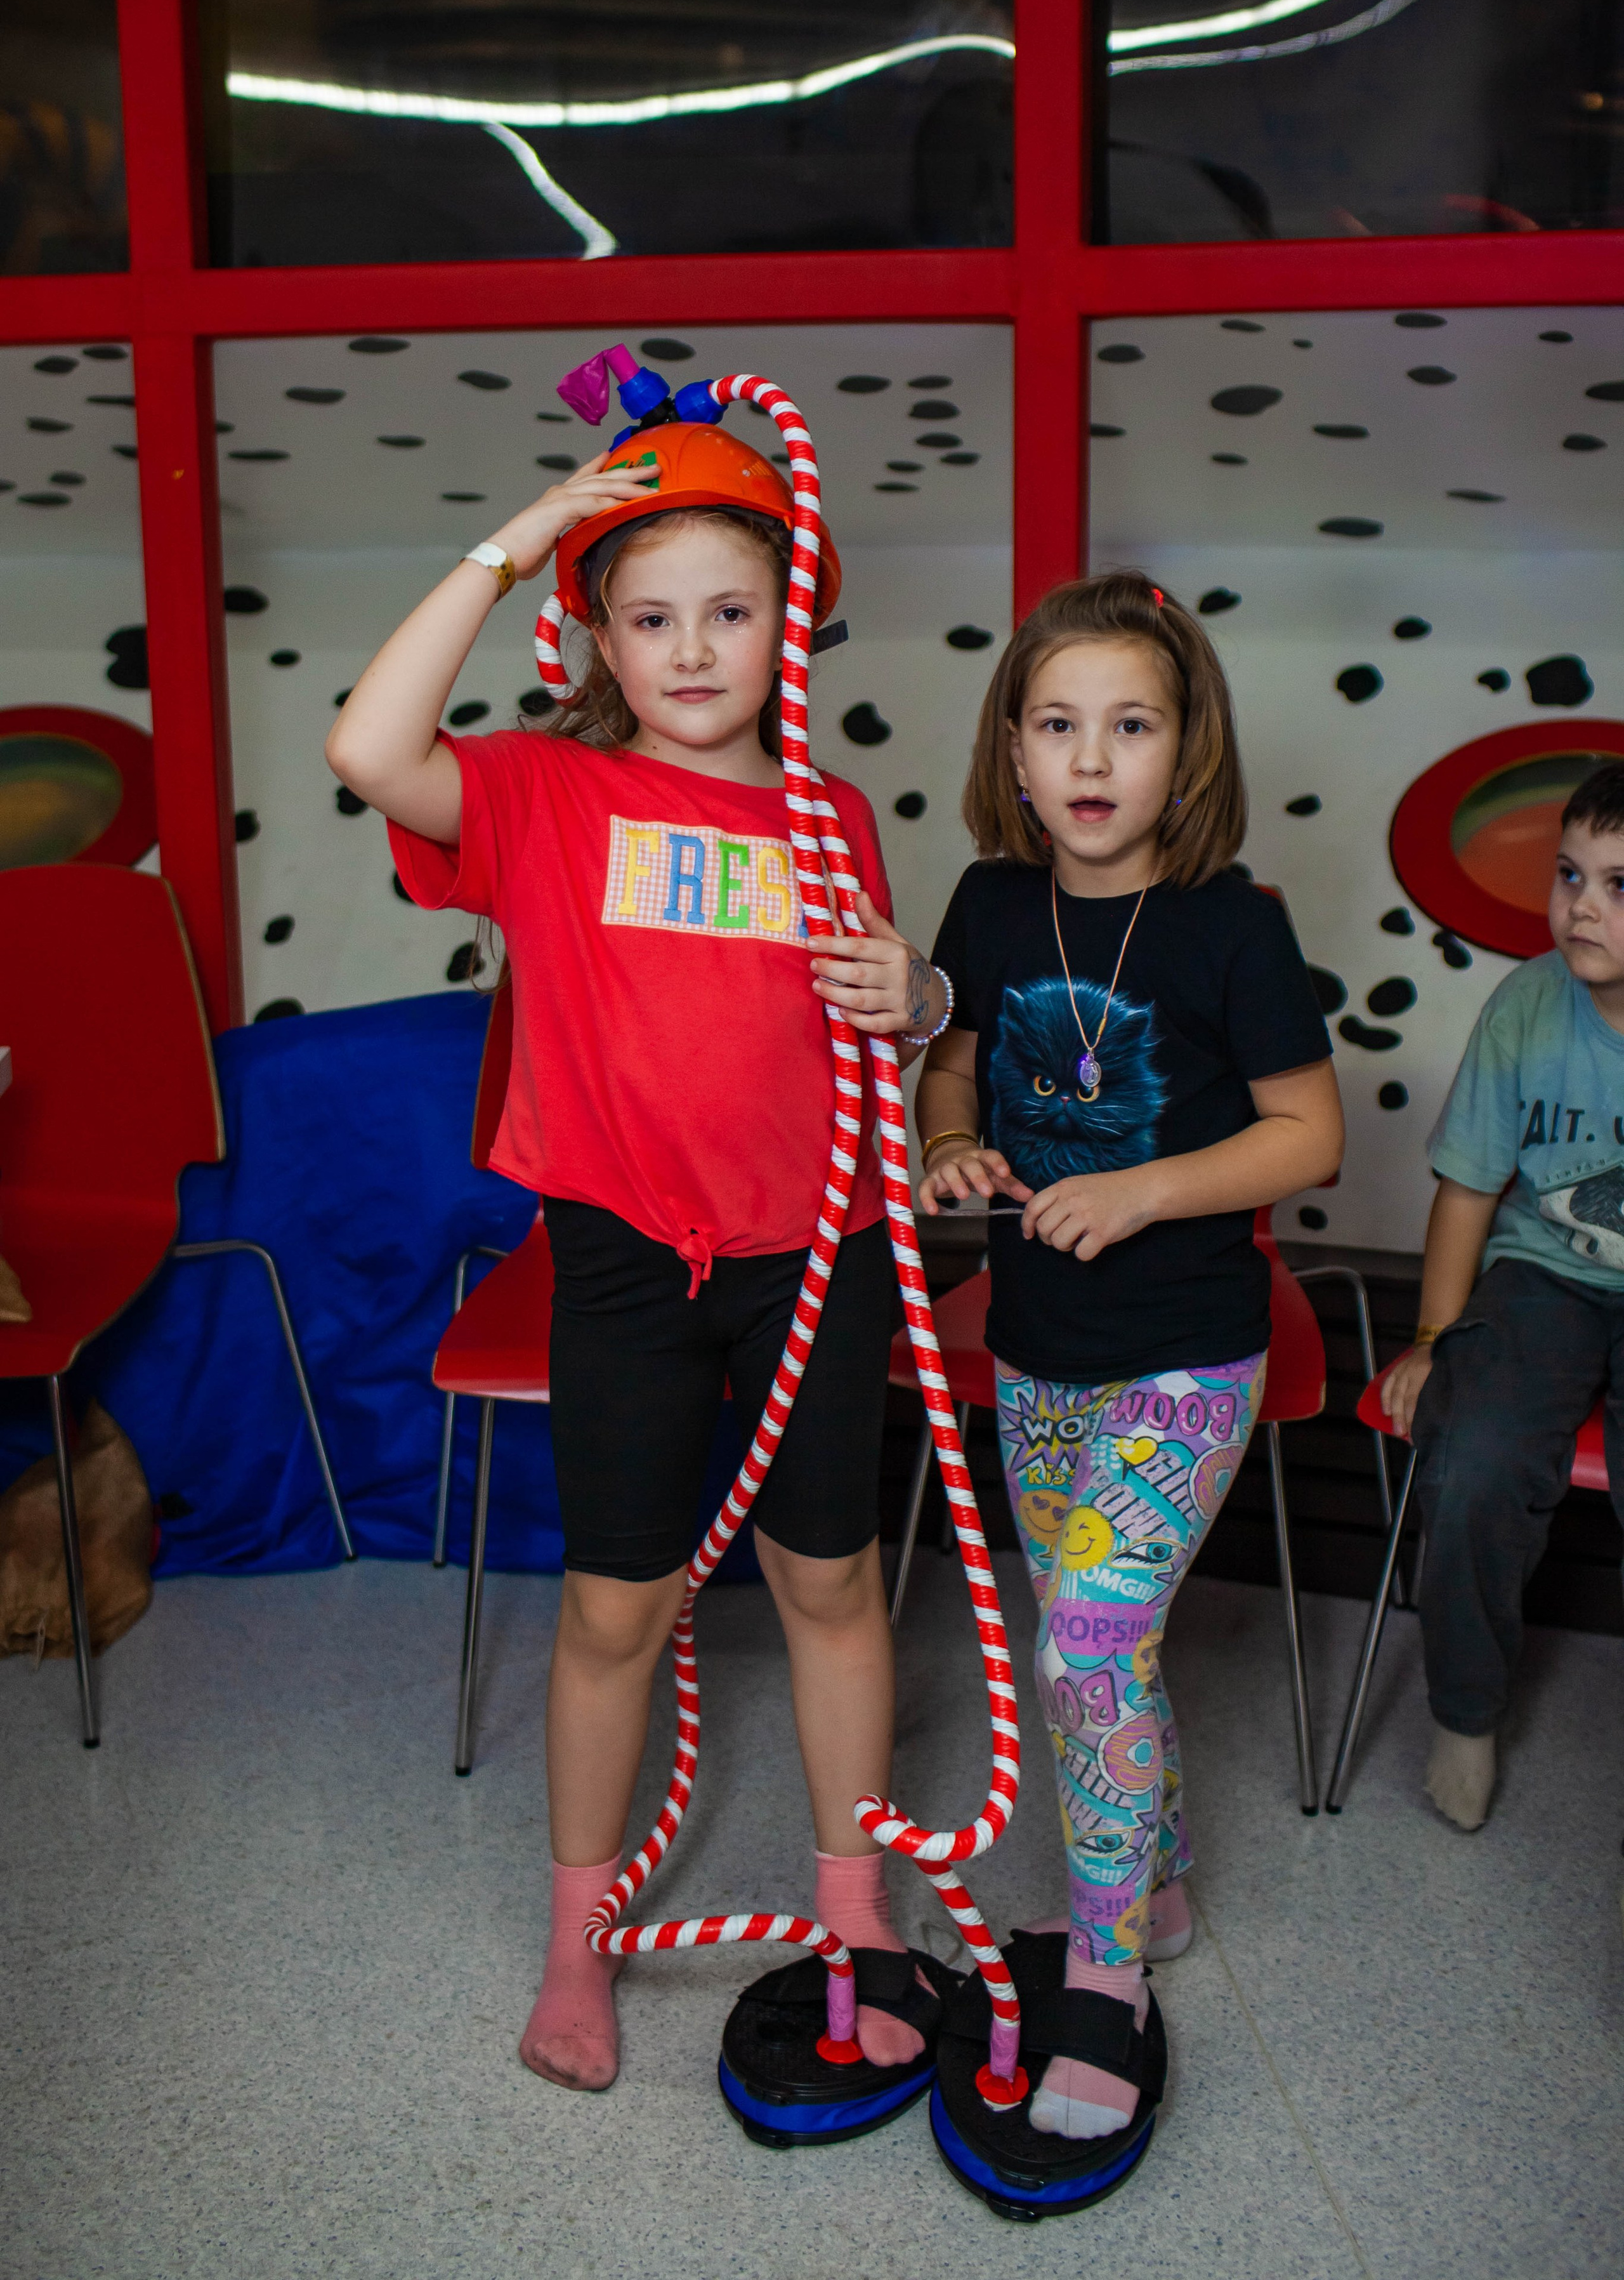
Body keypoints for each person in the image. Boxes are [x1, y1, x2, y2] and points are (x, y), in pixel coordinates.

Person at [325, 416, 954, 2093]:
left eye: (731, 610)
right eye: (653, 614)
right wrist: (513, 541)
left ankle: (853, 1907)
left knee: (830, 1582)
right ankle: (574, 1939)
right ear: (599, 635)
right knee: (616, 1609)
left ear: (790, 622)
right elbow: (374, 747)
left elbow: (872, 1030)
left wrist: (927, 1000)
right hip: (623, 1266)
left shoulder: (831, 819)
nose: (693, 648)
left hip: (816, 1254)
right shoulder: (543, 792)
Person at [911, 570, 1343, 2145]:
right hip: (1037, 1353)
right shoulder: (982, 901)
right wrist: (950, 1144)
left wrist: (1141, 1189)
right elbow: (946, 1071)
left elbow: (1311, 1130)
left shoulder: (1231, 929)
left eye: (1130, 724)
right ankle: (1147, 1883)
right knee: (1108, 1651)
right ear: (1013, 751)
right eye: (1056, 724)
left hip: (1185, 1352)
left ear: (1187, 751)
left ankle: (1104, 1975)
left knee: (1084, 1643)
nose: (1091, 760)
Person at [1382, 758, 1624, 1835]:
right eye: (1571, 874)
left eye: (1622, 887)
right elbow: (1469, 1191)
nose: (1582, 906)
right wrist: (1435, 1337)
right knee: (1474, 1460)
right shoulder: (1528, 1004)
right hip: (1545, 1274)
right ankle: (1467, 1711)